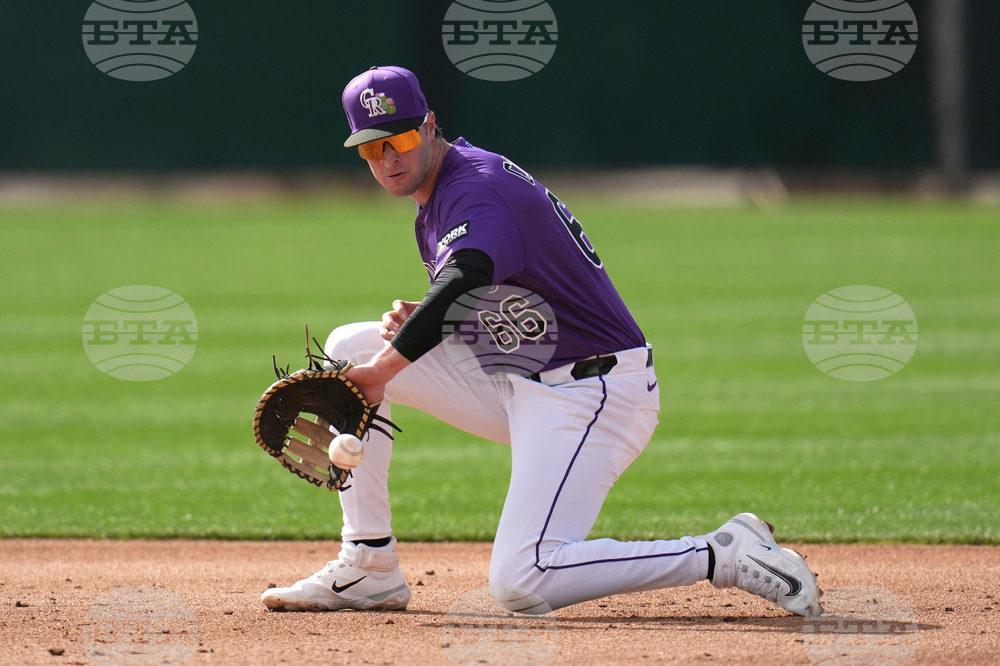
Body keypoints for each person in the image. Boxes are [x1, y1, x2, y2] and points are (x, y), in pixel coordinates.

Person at [261, 66, 822, 617]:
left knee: (523, 578)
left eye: (401, 139)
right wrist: (429, 318)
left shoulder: (475, 189)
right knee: (352, 345)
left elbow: (465, 277)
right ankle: (369, 566)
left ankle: (720, 553)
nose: (388, 159)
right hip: (521, 378)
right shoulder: (441, 193)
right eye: (372, 148)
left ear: (430, 125)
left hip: (595, 393)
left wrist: (385, 371)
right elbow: (499, 293)